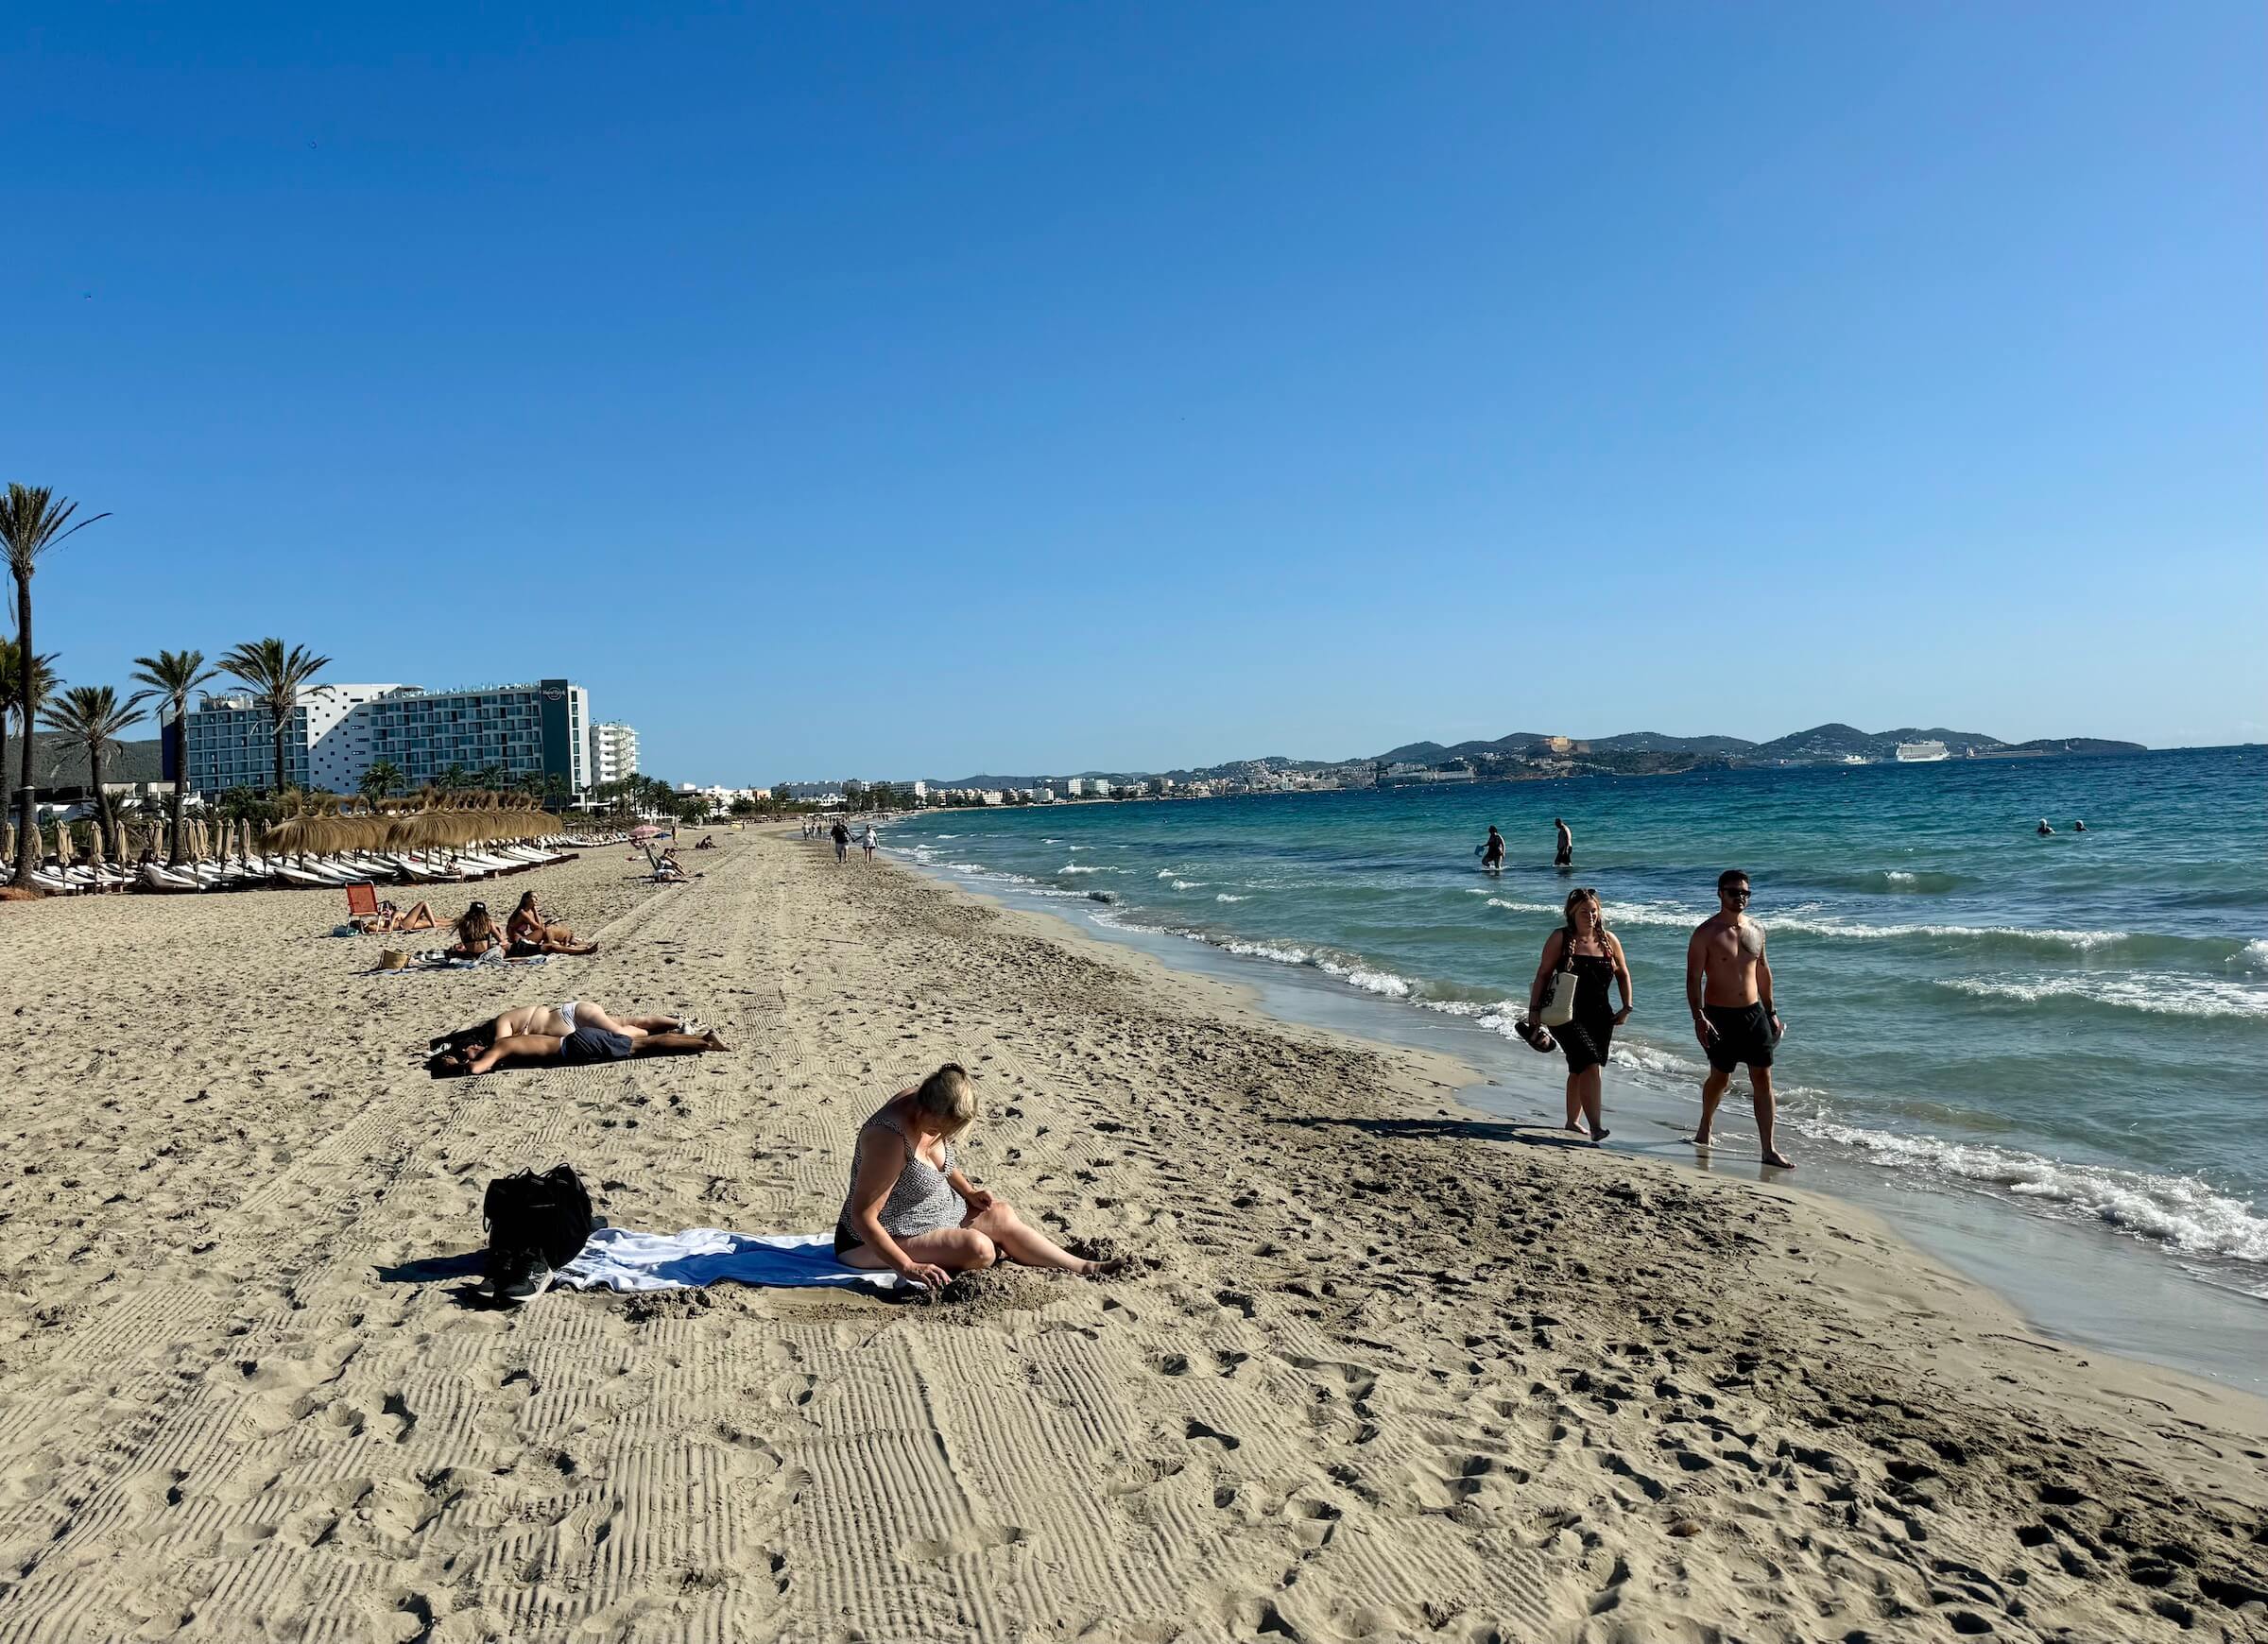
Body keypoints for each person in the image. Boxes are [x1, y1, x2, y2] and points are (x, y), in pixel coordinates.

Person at [834, 1064, 1123, 1289]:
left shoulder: (929, 1102)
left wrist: (968, 1191)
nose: (943, 1137)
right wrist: (908, 1267)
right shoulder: (889, 1138)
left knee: (1002, 1214)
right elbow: (864, 1218)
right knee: (980, 1249)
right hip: (873, 1239)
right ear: (924, 1109)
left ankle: (1085, 1267)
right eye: (939, 1130)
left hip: (932, 1213)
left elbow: (936, 1160)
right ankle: (998, 1251)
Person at [1685, 869, 1793, 1168]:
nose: (1740, 897)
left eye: (1745, 892)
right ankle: (1705, 1125)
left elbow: (1763, 971)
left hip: (1754, 1013)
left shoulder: (1756, 930)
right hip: (1719, 1016)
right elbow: (1693, 979)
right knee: (1721, 1077)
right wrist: (1699, 1018)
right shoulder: (1705, 933)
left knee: (1763, 1077)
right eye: (1734, 892)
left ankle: (1768, 1149)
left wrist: (1771, 1012)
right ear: (1720, 893)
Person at [1525, 887, 1631, 1142]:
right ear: (1572, 913)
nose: (1590, 916)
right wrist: (1534, 1009)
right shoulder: (1560, 938)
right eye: (1584, 912)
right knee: (1591, 1063)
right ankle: (1596, 1126)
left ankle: (1572, 1121)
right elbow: (1542, 974)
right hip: (1565, 1015)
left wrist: (1627, 1006)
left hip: (1601, 1016)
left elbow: (1623, 973)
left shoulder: (1609, 940)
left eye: (1594, 911)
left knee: (1579, 1068)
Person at [432, 1001, 727, 1076]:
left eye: (470, 1049)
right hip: (575, 1036)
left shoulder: (499, 1046)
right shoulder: (503, 1041)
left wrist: (451, 1065)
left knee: (641, 1046)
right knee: (632, 1033)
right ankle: (690, 1031)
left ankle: (703, 1041)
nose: (471, 1051)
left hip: (574, 1045)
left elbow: (476, 1068)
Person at [507, 890, 598, 957]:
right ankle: (569, 944)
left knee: (547, 929)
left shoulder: (529, 911)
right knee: (546, 930)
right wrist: (535, 911)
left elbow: (536, 928)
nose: (537, 899)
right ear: (526, 899)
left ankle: (579, 943)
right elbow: (538, 927)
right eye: (534, 897)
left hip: (524, 938)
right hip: (518, 941)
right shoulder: (522, 913)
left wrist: (534, 910)